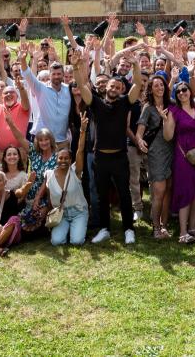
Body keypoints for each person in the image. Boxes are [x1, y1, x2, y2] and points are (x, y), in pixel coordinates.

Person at [75, 53, 143, 245]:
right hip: (100, 158)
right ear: (105, 88)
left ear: (121, 89)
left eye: (117, 87)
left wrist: (136, 65)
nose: (113, 88)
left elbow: (137, 85)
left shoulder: (124, 103)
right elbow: (82, 86)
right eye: (111, 86)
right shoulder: (96, 104)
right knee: (102, 194)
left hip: (120, 157)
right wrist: (75, 68)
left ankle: (129, 229)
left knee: (124, 193)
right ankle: (104, 229)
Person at [165, 78, 195, 243]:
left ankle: (192, 228)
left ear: (190, 91)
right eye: (178, 91)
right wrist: (165, 122)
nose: (182, 93)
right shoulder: (173, 111)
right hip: (184, 155)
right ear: (175, 95)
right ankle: (183, 232)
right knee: (185, 191)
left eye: (184, 89)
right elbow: (168, 136)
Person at [138, 73, 175, 239]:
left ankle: (164, 226)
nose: (159, 88)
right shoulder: (148, 107)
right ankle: (156, 228)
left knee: (168, 190)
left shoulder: (172, 105)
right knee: (158, 191)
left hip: (172, 150)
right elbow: (140, 130)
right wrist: (139, 141)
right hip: (156, 153)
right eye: (156, 86)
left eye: (162, 85)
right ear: (151, 90)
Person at [46, 116, 91, 247]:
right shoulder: (49, 175)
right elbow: (49, 198)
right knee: (56, 241)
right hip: (62, 214)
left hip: (78, 212)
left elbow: (80, 150)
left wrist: (82, 131)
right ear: (56, 159)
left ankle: (78, 227)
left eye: (66, 158)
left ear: (71, 160)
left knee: (76, 241)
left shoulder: (75, 172)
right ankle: (67, 229)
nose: (63, 161)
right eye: (60, 158)